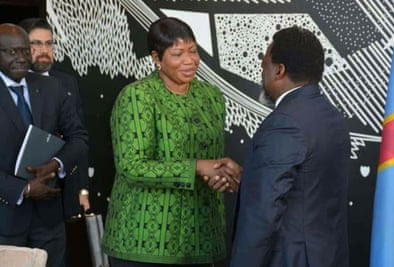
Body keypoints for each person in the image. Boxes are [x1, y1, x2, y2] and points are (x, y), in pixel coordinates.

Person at [102, 17, 242, 267]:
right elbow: (131, 166)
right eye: (178, 54)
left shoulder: (211, 96)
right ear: (157, 58)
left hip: (199, 238)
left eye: (193, 51)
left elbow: (213, 159)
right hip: (144, 242)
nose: (189, 61)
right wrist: (198, 167)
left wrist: (223, 175)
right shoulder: (137, 96)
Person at [231, 26, 350, 267]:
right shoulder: (333, 117)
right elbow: (307, 186)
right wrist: (250, 178)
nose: (262, 71)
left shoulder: (283, 123)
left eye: (264, 64)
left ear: (279, 70)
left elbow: (263, 214)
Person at [0, 24, 88, 267]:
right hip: (4, 219)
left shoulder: (52, 87)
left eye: (25, 51)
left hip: (49, 218)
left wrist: (55, 164)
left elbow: (78, 137)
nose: (21, 58)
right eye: (11, 52)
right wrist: (24, 190)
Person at [18, 18, 91, 216]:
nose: (44, 49)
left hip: (60, 188)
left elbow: (78, 139)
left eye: (49, 43)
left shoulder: (66, 83)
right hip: (18, 190)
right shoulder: (13, 85)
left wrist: (82, 190)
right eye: (36, 43)